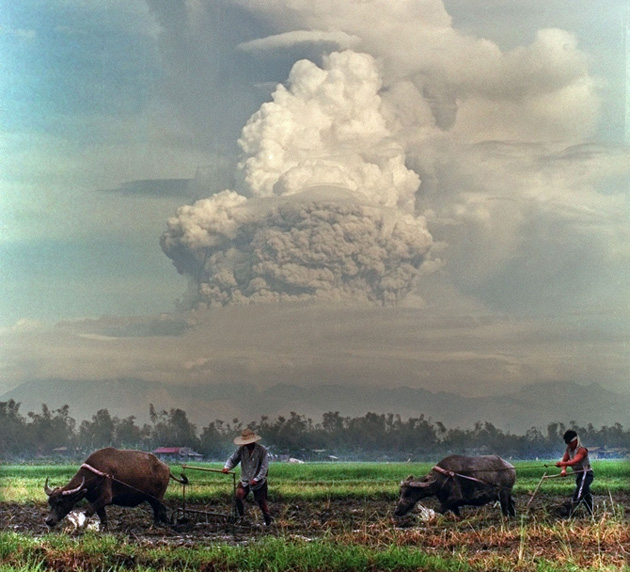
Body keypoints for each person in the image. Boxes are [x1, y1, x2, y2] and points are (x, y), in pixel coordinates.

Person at [222, 428, 272, 525]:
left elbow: (264, 468)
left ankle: (268, 522)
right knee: (238, 495)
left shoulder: (262, 451)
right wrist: (227, 467)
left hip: (259, 480)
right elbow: (232, 460)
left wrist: (256, 479)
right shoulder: (241, 450)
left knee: (261, 502)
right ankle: (242, 518)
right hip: (245, 479)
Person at [555, 429, 594, 516]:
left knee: (580, 491)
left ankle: (571, 511)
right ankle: (591, 512)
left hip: (586, 474)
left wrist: (563, 464)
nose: (569, 445)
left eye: (570, 443)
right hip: (579, 475)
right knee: (585, 493)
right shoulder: (568, 449)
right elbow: (565, 460)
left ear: (576, 440)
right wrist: (563, 469)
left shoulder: (582, 450)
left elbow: (574, 461)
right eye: (567, 444)